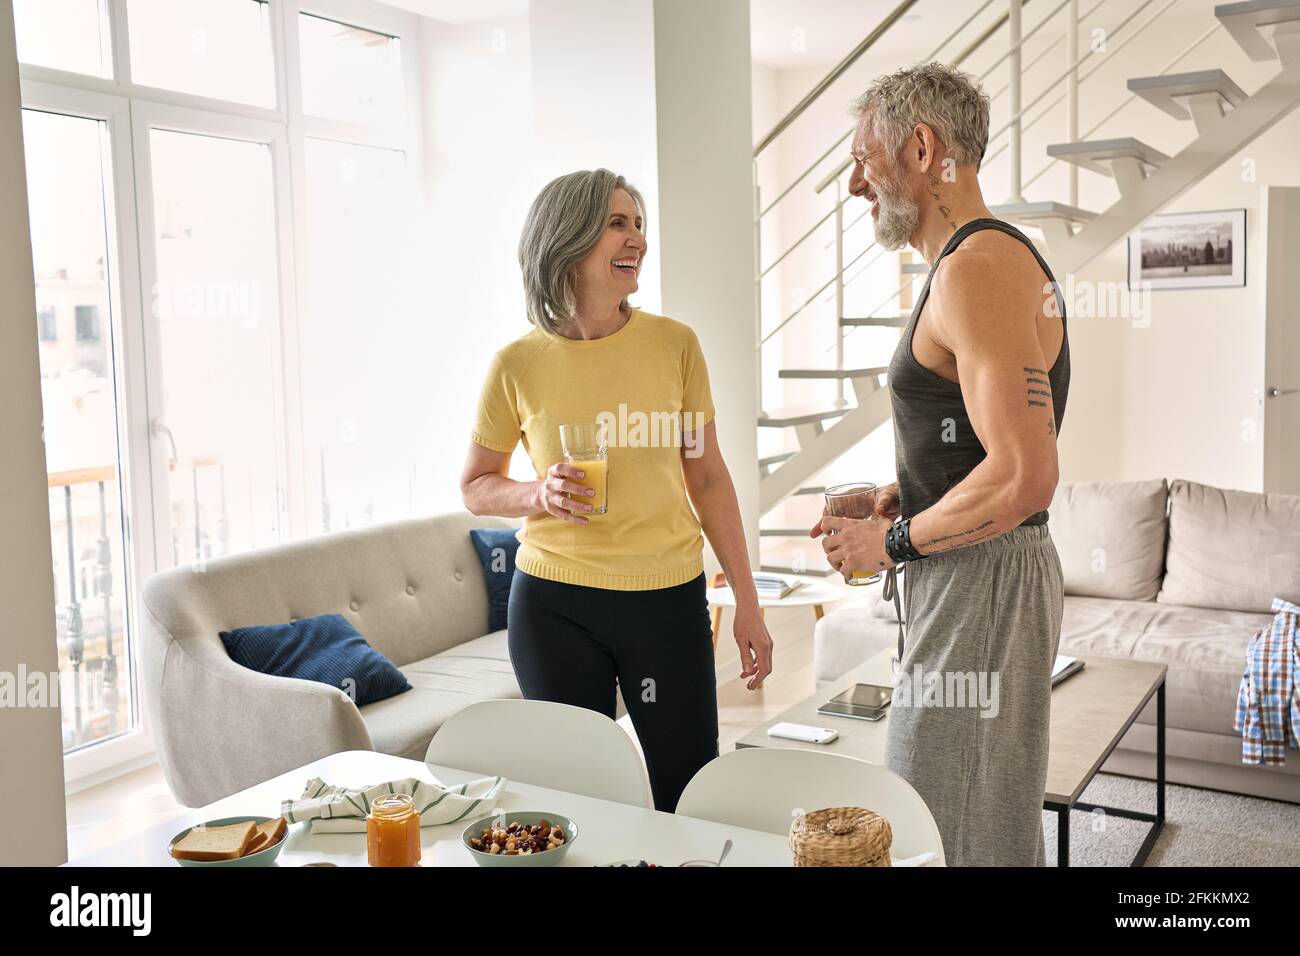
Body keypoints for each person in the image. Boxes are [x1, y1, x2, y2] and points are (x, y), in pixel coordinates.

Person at [811, 63, 1070, 865]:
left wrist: (892, 543)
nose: (855, 183)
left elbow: (1027, 476)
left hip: (981, 576)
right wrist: (900, 497)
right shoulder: (975, 264)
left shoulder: (975, 269)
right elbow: (984, 447)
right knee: (979, 810)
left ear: (922, 148)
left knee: (936, 820)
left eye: (863, 157)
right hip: (977, 570)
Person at [461, 168, 773, 812]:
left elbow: (708, 476)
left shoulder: (674, 345)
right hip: (554, 604)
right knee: (579, 796)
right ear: (567, 239)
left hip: (665, 600)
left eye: (639, 224)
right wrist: (536, 495)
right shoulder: (517, 364)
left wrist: (747, 599)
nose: (637, 239)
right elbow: (476, 486)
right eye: (617, 223)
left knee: (686, 790)